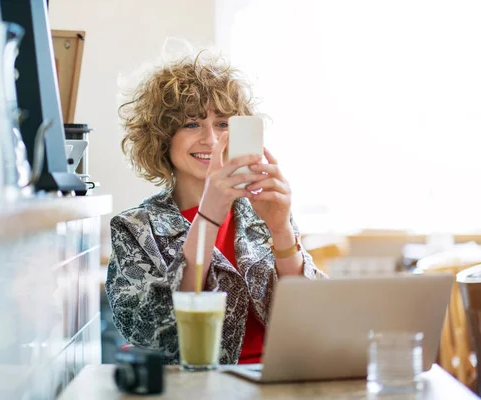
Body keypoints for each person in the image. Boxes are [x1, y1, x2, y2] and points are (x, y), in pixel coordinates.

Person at [106, 51, 327, 365]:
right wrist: (207, 216)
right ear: (161, 138)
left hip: (281, 378)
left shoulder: (261, 210)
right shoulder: (136, 227)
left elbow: (313, 315)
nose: (210, 139)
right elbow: (153, 329)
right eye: (191, 123)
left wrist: (281, 230)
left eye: (223, 123)